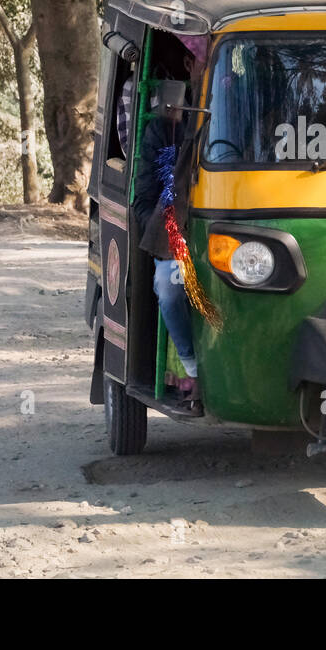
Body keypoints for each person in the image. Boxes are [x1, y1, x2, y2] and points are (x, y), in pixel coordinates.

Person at [131, 39, 202, 411]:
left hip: (233, 235)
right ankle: (194, 367)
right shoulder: (165, 129)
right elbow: (143, 200)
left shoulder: (247, 118)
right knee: (170, 286)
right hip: (178, 236)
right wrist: (166, 233)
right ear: (191, 65)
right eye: (207, 55)